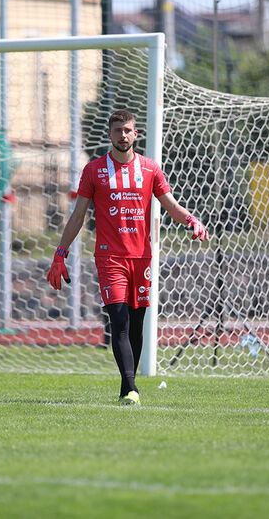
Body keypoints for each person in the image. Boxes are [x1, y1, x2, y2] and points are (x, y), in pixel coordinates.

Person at [47, 109, 209, 405]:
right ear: (109, 135)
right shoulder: (94, 170)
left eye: (128, 130)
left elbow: (171, 206)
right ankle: (132, 389)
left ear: (136, 134)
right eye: (118, 130)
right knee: (118, 320)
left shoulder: (150, 169)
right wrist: (61, 252)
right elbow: (78, 216)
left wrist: (192, 220)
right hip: (110, 258)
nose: (123, 135)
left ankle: (126, 387)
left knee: (136, 325)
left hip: (142, 258)